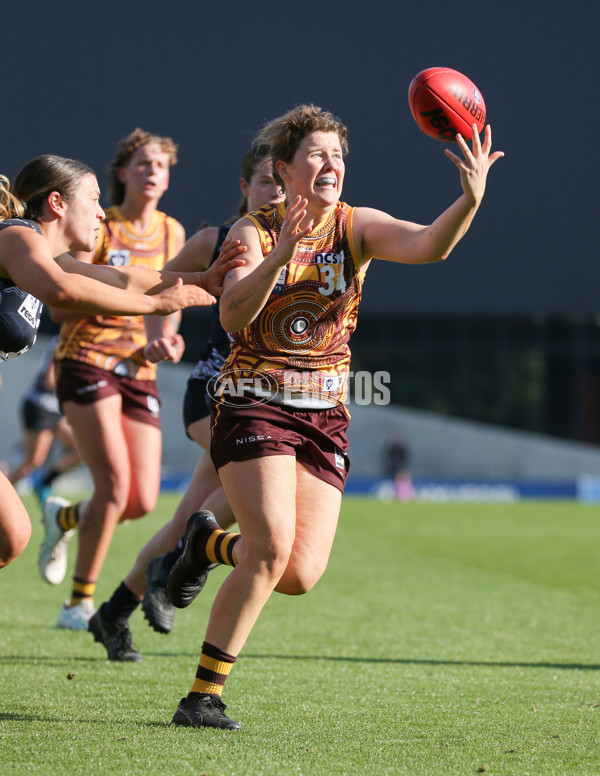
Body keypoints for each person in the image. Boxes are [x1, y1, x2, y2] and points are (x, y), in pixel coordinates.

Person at [164, 103, 503, 730]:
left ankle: (205, 543)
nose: (330, 165)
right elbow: (234, 315)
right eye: (316, 154)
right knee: (267, 549)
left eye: (338, 156)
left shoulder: (357, 225)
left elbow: (430, 245)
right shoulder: (251, 232)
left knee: (298, 575)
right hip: (253, 398)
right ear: (284, 169)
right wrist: (282, 251)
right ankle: (202, 698)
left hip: (325, 413)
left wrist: (471, 199)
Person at [38, 128, 243, 632]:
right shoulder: (97, 224)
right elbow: (61, 306)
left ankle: (65, 519)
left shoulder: (174, 233)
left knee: (140, 500)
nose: (155, 172)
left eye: (163, 166)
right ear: (123, 173)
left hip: (140, 370)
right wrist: (121, 300)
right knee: (112, 487)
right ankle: (79, 604)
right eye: (145, 163)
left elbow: (169, 308)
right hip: (87, 359)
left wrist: (167, 338)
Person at [88, 144, 285, 661]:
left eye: (283, 183)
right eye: (266, 181)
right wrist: (164, 335)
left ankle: (113, 611)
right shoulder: (215, 239)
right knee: (250, 488)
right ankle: (182, 556)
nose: (277, 192)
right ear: (245, 189)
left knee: (188, 517)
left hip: (263, 400)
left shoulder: (307, 245)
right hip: (214, 393)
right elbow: (164, 285)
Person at [0, 154, 237, 570]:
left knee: (9, 538)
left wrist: (201, 280)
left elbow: (125, 277)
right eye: (92, 200)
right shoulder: (17, 236)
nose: (99, 214)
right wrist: (154, 306)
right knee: (11, 534)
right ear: (57, 203)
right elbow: (64, 293)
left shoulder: (51, 257)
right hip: (89, 363)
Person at [8, 336, 82, 506]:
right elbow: (49, 380)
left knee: (82, 449)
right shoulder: (64, 340)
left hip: (56, 411)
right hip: (40, 406)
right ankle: (6, 492)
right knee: (32, 462)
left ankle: (44, 482)